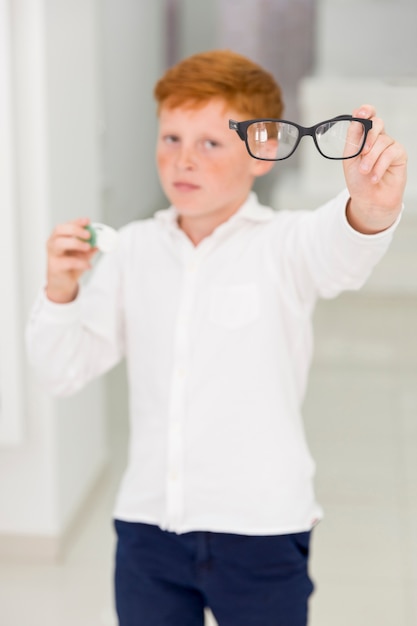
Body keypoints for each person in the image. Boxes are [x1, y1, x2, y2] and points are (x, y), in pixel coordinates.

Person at [26, 49, 407, 626]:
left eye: (209, 143)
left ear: (265, 150)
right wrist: (59, 291)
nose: (183, 160)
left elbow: (341, 248)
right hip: (148, 531)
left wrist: (370, 206)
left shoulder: (284, 244)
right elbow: (60, 371)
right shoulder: (130, 250)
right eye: (171, 138)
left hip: (261, 531)